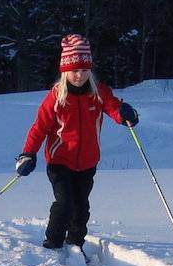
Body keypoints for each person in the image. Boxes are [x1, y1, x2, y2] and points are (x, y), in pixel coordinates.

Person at [13, 34, 139, 250]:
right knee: (65, 204)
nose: (79, 75)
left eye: (84, 70)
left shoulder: (98, 92)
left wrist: (124, 113)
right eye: (74, 71)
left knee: (81, 207)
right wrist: (28, 153)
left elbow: (113, 107)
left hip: (88, 162)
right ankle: (53, 242)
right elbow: (39, 128)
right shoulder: (56, 97)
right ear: (65, 71)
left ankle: (75, 243)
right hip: (59, 161)